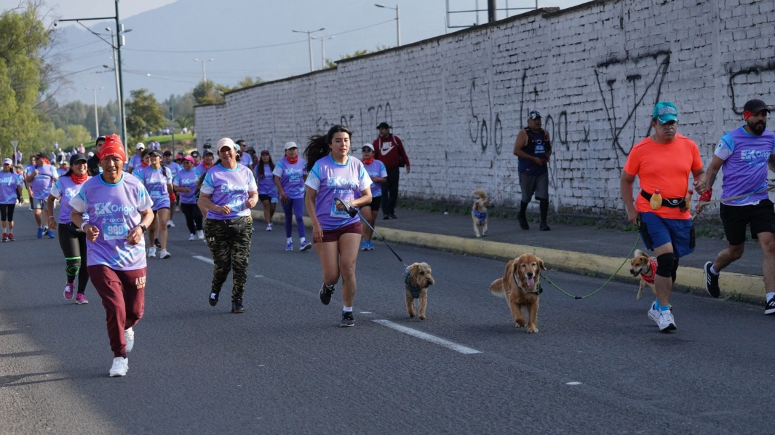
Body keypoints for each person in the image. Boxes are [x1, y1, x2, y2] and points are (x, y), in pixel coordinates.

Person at [69, 134, 154, 377]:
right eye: (107, 159)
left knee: (135, 311)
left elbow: (148, 213)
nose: (111, 164)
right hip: (101, 257)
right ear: (100, 161)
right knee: (115, 306)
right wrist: (85, 227)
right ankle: (119, 356)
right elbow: (75, 213)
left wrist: (141, 228)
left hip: (132, 257)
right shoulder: (91, 186)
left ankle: (127, 328)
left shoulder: (134, 184)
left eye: (116, 159)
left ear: (123, 161)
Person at [620, 101, 705, 332]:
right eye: (664, 123)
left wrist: (701, 186)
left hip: (680, 212)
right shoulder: (641, 150)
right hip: (651, 212)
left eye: (673, 123)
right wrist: (630, 208)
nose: (670, 128)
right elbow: (626, 180)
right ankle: (665, 312)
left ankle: (658, 304)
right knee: (666, 259)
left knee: (673, 263)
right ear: (654, 124)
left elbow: (699, 173)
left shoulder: (688, 146)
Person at [698, 99, 775, 314]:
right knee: (735, 251)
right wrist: (706, 194)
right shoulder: (731, 139)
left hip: (760, 200)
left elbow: (773, 161)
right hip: (733, 204)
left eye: (764, 115)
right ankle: (713, 270)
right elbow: (713, 168)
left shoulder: (770, 138)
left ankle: (771, 298)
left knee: (770, 245)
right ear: (746, 116)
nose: (761, 119)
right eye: (757, 115)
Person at [304, 125, 372, 327]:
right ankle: (327, 285)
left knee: (348, 269)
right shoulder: (321, 166)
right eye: (338, 140)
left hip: (350, 224)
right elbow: (309, 198)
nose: (343, 144)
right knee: (332, 275)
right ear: (330, 144)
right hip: (325, 226)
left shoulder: (357, 165)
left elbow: (367, 196)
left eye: (346, 140)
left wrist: (354, 204)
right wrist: (315, 224)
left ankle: (347, 312)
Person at [198, 138, 258, 314]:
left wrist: (252, 200)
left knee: (241, 263)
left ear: (236, 151)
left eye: (229, 150)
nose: (226, 153)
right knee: (223, 264)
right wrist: (217, 208)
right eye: (222, 151)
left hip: (242, 222)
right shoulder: (213, 174)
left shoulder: (246, 172)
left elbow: (253, 193)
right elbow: (202, 199)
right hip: (217, 224)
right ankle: (216, 289)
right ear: (219, 154)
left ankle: (237, 300)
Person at [46, 153, 91, 304]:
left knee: (87, 263)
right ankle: (70, 282)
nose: (81, 166)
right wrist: (51, 218)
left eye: (84, 163)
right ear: (71, 166)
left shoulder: (92, 182)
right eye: (77, 163)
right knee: (74, 262)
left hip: (87, 227)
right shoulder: (63, 181)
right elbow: (51, 198)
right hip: (67, 225)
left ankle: (81, 294)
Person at [513, 110, 552, 231]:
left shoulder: (545, 133)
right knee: (526, 197)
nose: (537, 122)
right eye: (534, 120)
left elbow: (548, 149)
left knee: (544, 195)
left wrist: (546, 157)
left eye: (539, 120)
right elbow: (516, 151)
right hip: (527, 170)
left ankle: (543, 223)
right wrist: (533, 159)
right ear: (529, 121)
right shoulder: (524, 133)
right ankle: (521, 214)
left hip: (541, 170)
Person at [136, 149, 174, 259]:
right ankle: (152, 247)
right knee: (151, 227)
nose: (152, 158)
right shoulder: (144, 171)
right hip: (150, 201)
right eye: (151, 156)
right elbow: (142, 188)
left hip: (163, 199)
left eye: (155, 157)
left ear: (160, 159)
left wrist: (171, 192)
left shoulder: (166, 171)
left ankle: (163, 250)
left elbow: (170, 186)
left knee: (163, 223)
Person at [273, 142, 311, 251]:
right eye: (290, 149)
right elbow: (277, 179)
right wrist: (282, 193)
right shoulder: (281, 163)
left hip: (298, 193)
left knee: (299, 216)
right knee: (288, 217)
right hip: (286, 195)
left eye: (294, 149)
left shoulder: (302, 162)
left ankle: (303, 241)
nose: (293, 151)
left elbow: (304, 176)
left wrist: (308, 187)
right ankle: (289, 241)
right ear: (286, 152)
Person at [373, 122, 410, 220]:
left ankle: (391, 211)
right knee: (384, 191)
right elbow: (373, 158)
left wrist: (407, 164)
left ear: (388, 129)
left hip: (394, 169)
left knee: (394, 191)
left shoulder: (395, 140)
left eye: (383, 129)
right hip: (382, 171)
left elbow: (402, 152)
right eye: (380, 129)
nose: (381, 131)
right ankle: (385, 212)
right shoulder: (376, 143)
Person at [358, 143, 387, 251]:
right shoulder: (358, 164)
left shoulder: (379, 164)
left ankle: (368, 240)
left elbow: (385, 179)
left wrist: (378, 179)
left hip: (376, 195)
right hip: (363, 195)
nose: (366, 152)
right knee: (367, 217)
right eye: (364, 150)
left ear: (373, 153)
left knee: (372, 219)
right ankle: (365, 241)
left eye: (368, 150)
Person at [26, 153, 59, 239]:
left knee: (48, 212)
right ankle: (40, 227)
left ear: (43, 159)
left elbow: (56, 179)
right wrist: (33, 174)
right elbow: (27, 180)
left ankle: (49, 229)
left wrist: (58, 191)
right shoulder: (33, 168)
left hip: (48, 194)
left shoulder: (51, 168)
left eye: (37, 159)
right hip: (36, 194)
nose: (35, 161)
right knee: (37, 213)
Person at [173, 155, 204, 240]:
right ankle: (192, 233)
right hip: (185, 200)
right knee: (189, 217)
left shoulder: (197, 171)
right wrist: (183, 189)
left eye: (187, 163)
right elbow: (175, 186)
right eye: (184, 163)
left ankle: (200, 229)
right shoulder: (180, 173)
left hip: (196, 199)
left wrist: (199, 186)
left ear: (192, 163)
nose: (185, 164)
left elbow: (202, 183)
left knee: (197, 215)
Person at [0, 158, 23, 242]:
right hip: (1, 199)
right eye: (5, 164)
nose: (6, 166)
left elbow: (19, 186)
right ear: (3, 165)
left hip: (11, 199)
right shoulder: (0, 174)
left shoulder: (14, 175)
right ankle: (4, 233)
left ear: (11, 166)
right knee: (3, 217)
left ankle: (10, 233)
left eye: (8, 164)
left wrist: (21, 196)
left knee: (10, 218)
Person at [255, 150, 278, 231]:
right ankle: (268, 224)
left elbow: (278, 178)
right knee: (266, 204)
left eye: (266, 155)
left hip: (273, 191)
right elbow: (254, 177)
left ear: (269, 156)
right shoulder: (258, 167)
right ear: (261, 157)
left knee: (272, 208)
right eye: (263, 155)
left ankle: (270, 218)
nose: (265, 157)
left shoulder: (274, 166)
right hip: (262, 191)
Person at [163, 150, 181, 228]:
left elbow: (181, 176)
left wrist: (178, 189)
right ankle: (165, 220)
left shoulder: (176, 166)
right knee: (164, 205)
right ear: (163, 157)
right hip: (164, 187)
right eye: (166, 156)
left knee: (171, 204)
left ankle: (170, 220)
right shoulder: (162, 166)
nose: (168, 158)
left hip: (173, 187)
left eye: (169, 156)